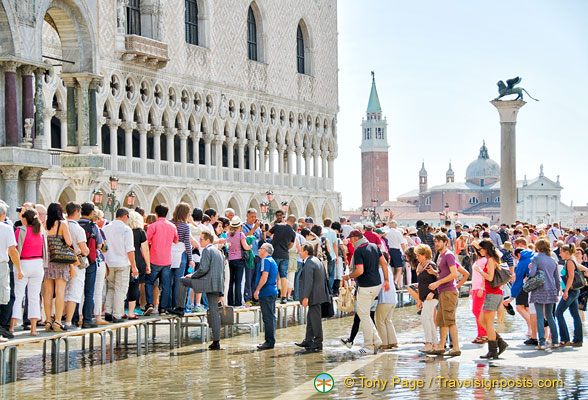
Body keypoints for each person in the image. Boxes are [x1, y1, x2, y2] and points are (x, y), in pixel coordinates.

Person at [169, 231, 225, 350]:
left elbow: (203, 269)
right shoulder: (219, 252)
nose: (199, 241)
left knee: (182, 281)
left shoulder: (207, 250)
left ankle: (180, 308)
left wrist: (192, 275)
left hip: (205, 282)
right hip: (216, 285)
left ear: (208, 240)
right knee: (214, 311)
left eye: (201, 239)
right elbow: (222, 274)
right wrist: (222, 291)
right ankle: (216, 341)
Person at [343, 229, 390, 354]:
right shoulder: (374, 246)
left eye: (351, 239)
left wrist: (348, 277)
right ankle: (377, 340)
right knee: (364, 314)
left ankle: (368, 346)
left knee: (364, 316)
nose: (350, 242)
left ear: (355, 238)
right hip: (377, 284)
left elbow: (359, 271)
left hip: (366, 286)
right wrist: (386, 280)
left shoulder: (359, 251)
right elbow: (384, 264)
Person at [43, 203, 75, 332]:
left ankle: (47, 321)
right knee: (60, 290)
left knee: (48, 292)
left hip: (48, 259)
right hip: (60, 259)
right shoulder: (63, 224)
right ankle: (57, 321)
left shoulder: (44, 224)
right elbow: (69, 242)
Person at [11, 209, 43, 336]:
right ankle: (33, 329)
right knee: (34, 297)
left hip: (23, 263)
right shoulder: (40, 231)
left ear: (25, 219)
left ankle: (12, 326)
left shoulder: (20, 231)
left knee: (18, 295)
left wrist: (18, 268)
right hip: (38, 263)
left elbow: (15, 249)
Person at [427, 233, 461, 356]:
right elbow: (444, 273)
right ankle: (441, 346)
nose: (436, 244)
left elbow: (454, 274)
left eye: (439, 241)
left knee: (450, 320)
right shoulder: (441, 255)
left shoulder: (449, 255)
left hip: (448, 290)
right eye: (435, 241)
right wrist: (435, 272)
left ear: (445, 242)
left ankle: (456, 348)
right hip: (443, 291)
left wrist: (437, 283)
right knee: (442, 320)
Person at [102, 208, 138, 323]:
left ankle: (108, 311)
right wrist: (134, 266)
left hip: (109, 263)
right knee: (120, 289)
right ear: (125, 216)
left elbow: (103, 246)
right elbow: (130, 250)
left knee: (111, 287)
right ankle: (117, 314)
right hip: (122, 263)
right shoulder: (126, 230)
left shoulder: (105, 228)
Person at [475, 239, 508, 359]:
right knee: (482, 321)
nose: (479, 251)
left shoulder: (490, 260)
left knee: (488, 323)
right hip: (493, 293)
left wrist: (479, 271)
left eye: (480, 249)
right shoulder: (492, 259)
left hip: (493, 294)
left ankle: (493, 350)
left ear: (486, 249)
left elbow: (490, 277)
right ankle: (500, 342)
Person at [295, 243, 330, 352]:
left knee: (315, 320)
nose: (299, 252)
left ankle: (318, 342)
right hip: (319, 294)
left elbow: (308, 282)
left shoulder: (309, 263)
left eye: (301, 250)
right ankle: (308, 340)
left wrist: (305, 297)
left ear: (306, 251)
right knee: (311, 319)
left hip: (314, 296)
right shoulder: (316, 260)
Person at [145, 204, 178, 315]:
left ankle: (149, 304)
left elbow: (146, 241)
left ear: (156, 213)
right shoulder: (172, 226)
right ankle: (163, 308)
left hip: (154, 258)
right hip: (167, 260)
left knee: (149, 282)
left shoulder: (152, 226)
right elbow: (176, 240)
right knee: (166, 285)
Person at [528, 238, 560, 350]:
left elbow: (532, 274)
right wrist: (557, 292)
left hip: (539, 289)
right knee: (550, 316)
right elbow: (557, 279)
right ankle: (555, 341)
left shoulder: (535, 258)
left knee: (540, 317)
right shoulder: (552, 260)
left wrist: (531, 268)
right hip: (551, 289)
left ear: (537, 247)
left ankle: (541, 342)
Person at [76, 202, 103, 328]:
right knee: (89, 291)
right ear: (92, 212)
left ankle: (75, 317)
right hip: (90, 261)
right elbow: (99, 245)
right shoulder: (93, 226)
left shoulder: (75, 224)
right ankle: (87, 318)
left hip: (75, 260)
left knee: (75, 290)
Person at [64, 202, 90, 329]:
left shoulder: (61, 226)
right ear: (77, 212)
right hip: (76, 263)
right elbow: (84, 250)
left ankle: (57, 319)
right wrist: (88, 251)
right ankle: (68, 321)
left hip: (62, 262)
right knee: (74, 293)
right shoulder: (78, 229)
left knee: (61, 291)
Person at [556, 244, 586, 346]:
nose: (560, 254)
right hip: (575, 291)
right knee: (575, 314)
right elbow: (584, 269)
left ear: (567, 252)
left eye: (561, 252)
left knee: (558, 312)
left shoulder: (569, 262)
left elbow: (571, 277)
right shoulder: (572, 260)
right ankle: (578, 339)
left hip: (571, 291)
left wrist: (566, 291)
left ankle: (565, 338)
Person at [254, 243, 279, 350]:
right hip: (272, 291)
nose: (258, 251)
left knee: (268, 317)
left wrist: (257, 290)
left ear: (265, 250)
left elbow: (264, 276)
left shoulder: (265, 260)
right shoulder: (272, 260)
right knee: (271, 317)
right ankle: (270, 340)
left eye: (260, 249)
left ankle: (269, 341)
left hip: (266, 292)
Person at [414, 244, 438, 352]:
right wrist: (419, 299)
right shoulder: (421, 265)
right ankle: (434, 343)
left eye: (418, 255)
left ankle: (429, 343)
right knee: (429, 319)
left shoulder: (430, 265)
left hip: (431, 296)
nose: (416, 257)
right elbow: (420, 283)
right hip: (425, 296)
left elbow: (437, 279)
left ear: (424, 255)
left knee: (425, 318)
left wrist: (433, 292)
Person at [0, 203, 19, 342]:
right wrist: (19, 268)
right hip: (1, 264)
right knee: (4, 296)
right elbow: (13, 251)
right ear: (3, 215)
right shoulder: (6, 228)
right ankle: (2, 327)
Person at [127, 211, 150, 319]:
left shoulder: (125, 231)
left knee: (122, 286)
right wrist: (148, 265)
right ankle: (134, 308)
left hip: (125, 260)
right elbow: (145, 250)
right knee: (135, 286)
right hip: (137, 261)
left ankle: (123, 308)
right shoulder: (140, 232)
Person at [171, 203, 194, 310]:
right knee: (178, 281)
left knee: (169, 281)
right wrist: (191, 259)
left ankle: (168, 304)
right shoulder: (185, 226)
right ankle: (177, 304)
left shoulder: (171, 223)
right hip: (181, 255)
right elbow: (187, 244)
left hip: (169, 254)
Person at [269, 215, 296, 304]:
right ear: (293, 223)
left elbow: (268, 234)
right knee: (283, 276)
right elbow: (291, 245)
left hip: (275, 253)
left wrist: (274, 240)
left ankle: (273, 295)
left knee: (274, 275)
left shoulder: (277, 226)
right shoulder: (292, 232)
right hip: (285, 255)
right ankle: (283, 297)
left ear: (286, 219)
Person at [226, 216, 251, 307]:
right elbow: (245, 247)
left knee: (230, 282)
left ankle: (230, 301)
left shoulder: (227, 234)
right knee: (238, 282)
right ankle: (238, 302)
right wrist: (250, 246)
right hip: (239, 260)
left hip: (230, 260)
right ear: (239, 226)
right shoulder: (241, 235)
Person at [375, 259, 397, 349]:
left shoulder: (380, 271)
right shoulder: (388, 269)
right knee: (388, 321)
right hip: (393, 298)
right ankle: (393, 341)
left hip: (384, 299)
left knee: (380, 321)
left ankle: (384, 343)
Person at [242, 208, 262, 305]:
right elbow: (244, 236)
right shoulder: (244, 226)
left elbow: (261, 238)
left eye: (255, 217)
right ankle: (247, 297)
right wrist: (254, 228)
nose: (254, 219)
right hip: (249, 255)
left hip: (257, 255)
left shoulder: (257, 227)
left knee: (256, 277)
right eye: (252, 217)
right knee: (248, 277)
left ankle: (255, 297)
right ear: (247, 216)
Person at [470, 242, 488, 344]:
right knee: (477, 311)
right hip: (476, 287)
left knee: (477, 311)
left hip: (481, 288)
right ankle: (481, 334)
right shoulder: (479, 260)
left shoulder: (484, 260)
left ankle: (483, 333)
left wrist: (482, 287)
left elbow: (485, 274)